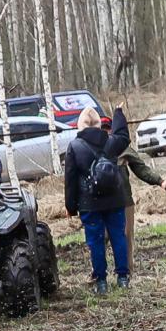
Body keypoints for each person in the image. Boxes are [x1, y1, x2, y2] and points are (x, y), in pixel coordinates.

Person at [65, 105, 142, 294]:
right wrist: (118, 113)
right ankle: (123, 278)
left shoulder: (74, 147)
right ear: (99, 124)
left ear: (79, 125)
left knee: (96, 241)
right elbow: (124, 135)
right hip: (115, 199)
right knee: (119, 237)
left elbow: (70, 180)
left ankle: (101, 282)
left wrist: (71, 206)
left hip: (89, 203)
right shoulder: (110, 142)